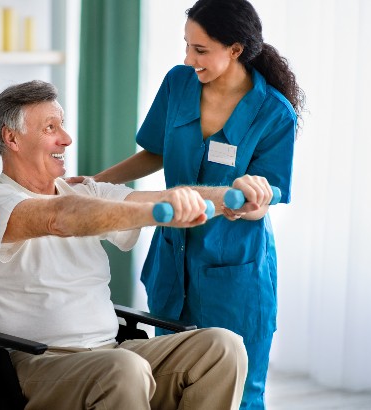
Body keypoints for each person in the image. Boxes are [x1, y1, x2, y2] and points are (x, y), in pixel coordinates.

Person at [0, 80, 275, 409]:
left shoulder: (85, 191)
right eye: (51, 127)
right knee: (124, 370)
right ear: (12, 138)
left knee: (223, 347)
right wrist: (154, 214)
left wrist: (233, 197)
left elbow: (159, 197)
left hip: (110, 353)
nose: (66, 139)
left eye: (62, 125)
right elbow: (60, 217)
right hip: (35, 365)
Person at [78, 1, 305, 408]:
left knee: (240, 392)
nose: (188, 58)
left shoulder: (274, 113)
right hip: (173, 261)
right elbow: (154, 152)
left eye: (200, 50)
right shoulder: (178, 84)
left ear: (235, 49)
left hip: (234, 273)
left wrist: (243, 200)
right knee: (171, 381)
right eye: (186, 45)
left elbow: (262, 202)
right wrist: (92, 184)